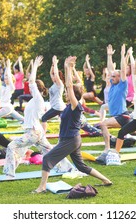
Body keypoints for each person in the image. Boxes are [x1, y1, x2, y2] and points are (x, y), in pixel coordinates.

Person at [33, 56, 112, 194]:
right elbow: (68, 86)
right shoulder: (69, 106)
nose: (65, 94)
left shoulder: (76, 106)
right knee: (80, 166)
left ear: (73, 95)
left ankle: (42, 187)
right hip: (70, 139)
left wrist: (68, 68)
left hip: (71, 139)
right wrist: (65, 66)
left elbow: (69, 85)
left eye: (67, 93)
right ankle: (105, 180)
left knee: (47, 158)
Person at [3, 56, 72, 177]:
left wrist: (34, 66)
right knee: (49, 151)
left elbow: (31, 82)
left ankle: (9, 173)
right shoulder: (34, 100)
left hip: (33, 133)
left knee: (11, 146)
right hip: (35, 131)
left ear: (37, 89)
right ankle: (68, 168)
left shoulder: (38, 99)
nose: (30, 88)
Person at [97, 44, 136, 164]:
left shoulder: (122, 85)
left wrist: (123, 55)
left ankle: (107, 148)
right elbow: (110, 69)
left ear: (120, 77)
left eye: (114, 76)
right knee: (132, 131)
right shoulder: (112, 84)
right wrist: (109, 55)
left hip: (122, 116)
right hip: (121, 116)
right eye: (111, 76)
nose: (111, 78)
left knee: (103, 124)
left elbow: (123, 70)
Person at [0, 57, 25, 124]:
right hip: (6, 107)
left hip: (6, 107)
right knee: (22, 119)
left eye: (7, 78)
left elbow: (8, 76)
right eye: (5, 78)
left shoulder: (11, 87)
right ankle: (28, 123)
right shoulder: (2, 87)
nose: (6, 79)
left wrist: (8, 67)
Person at [40, 55, 65, 133]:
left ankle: (42, 135)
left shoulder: (59, 84)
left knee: (44, 118)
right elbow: (51, 73)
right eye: (53, 75)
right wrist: (53, 64)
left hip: (58, 106)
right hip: (58, 106)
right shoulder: (54, 84)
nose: (53, 76)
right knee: (63, 121)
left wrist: (55, 64)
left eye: (55, 75)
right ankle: (63, 133)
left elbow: (56, 74)